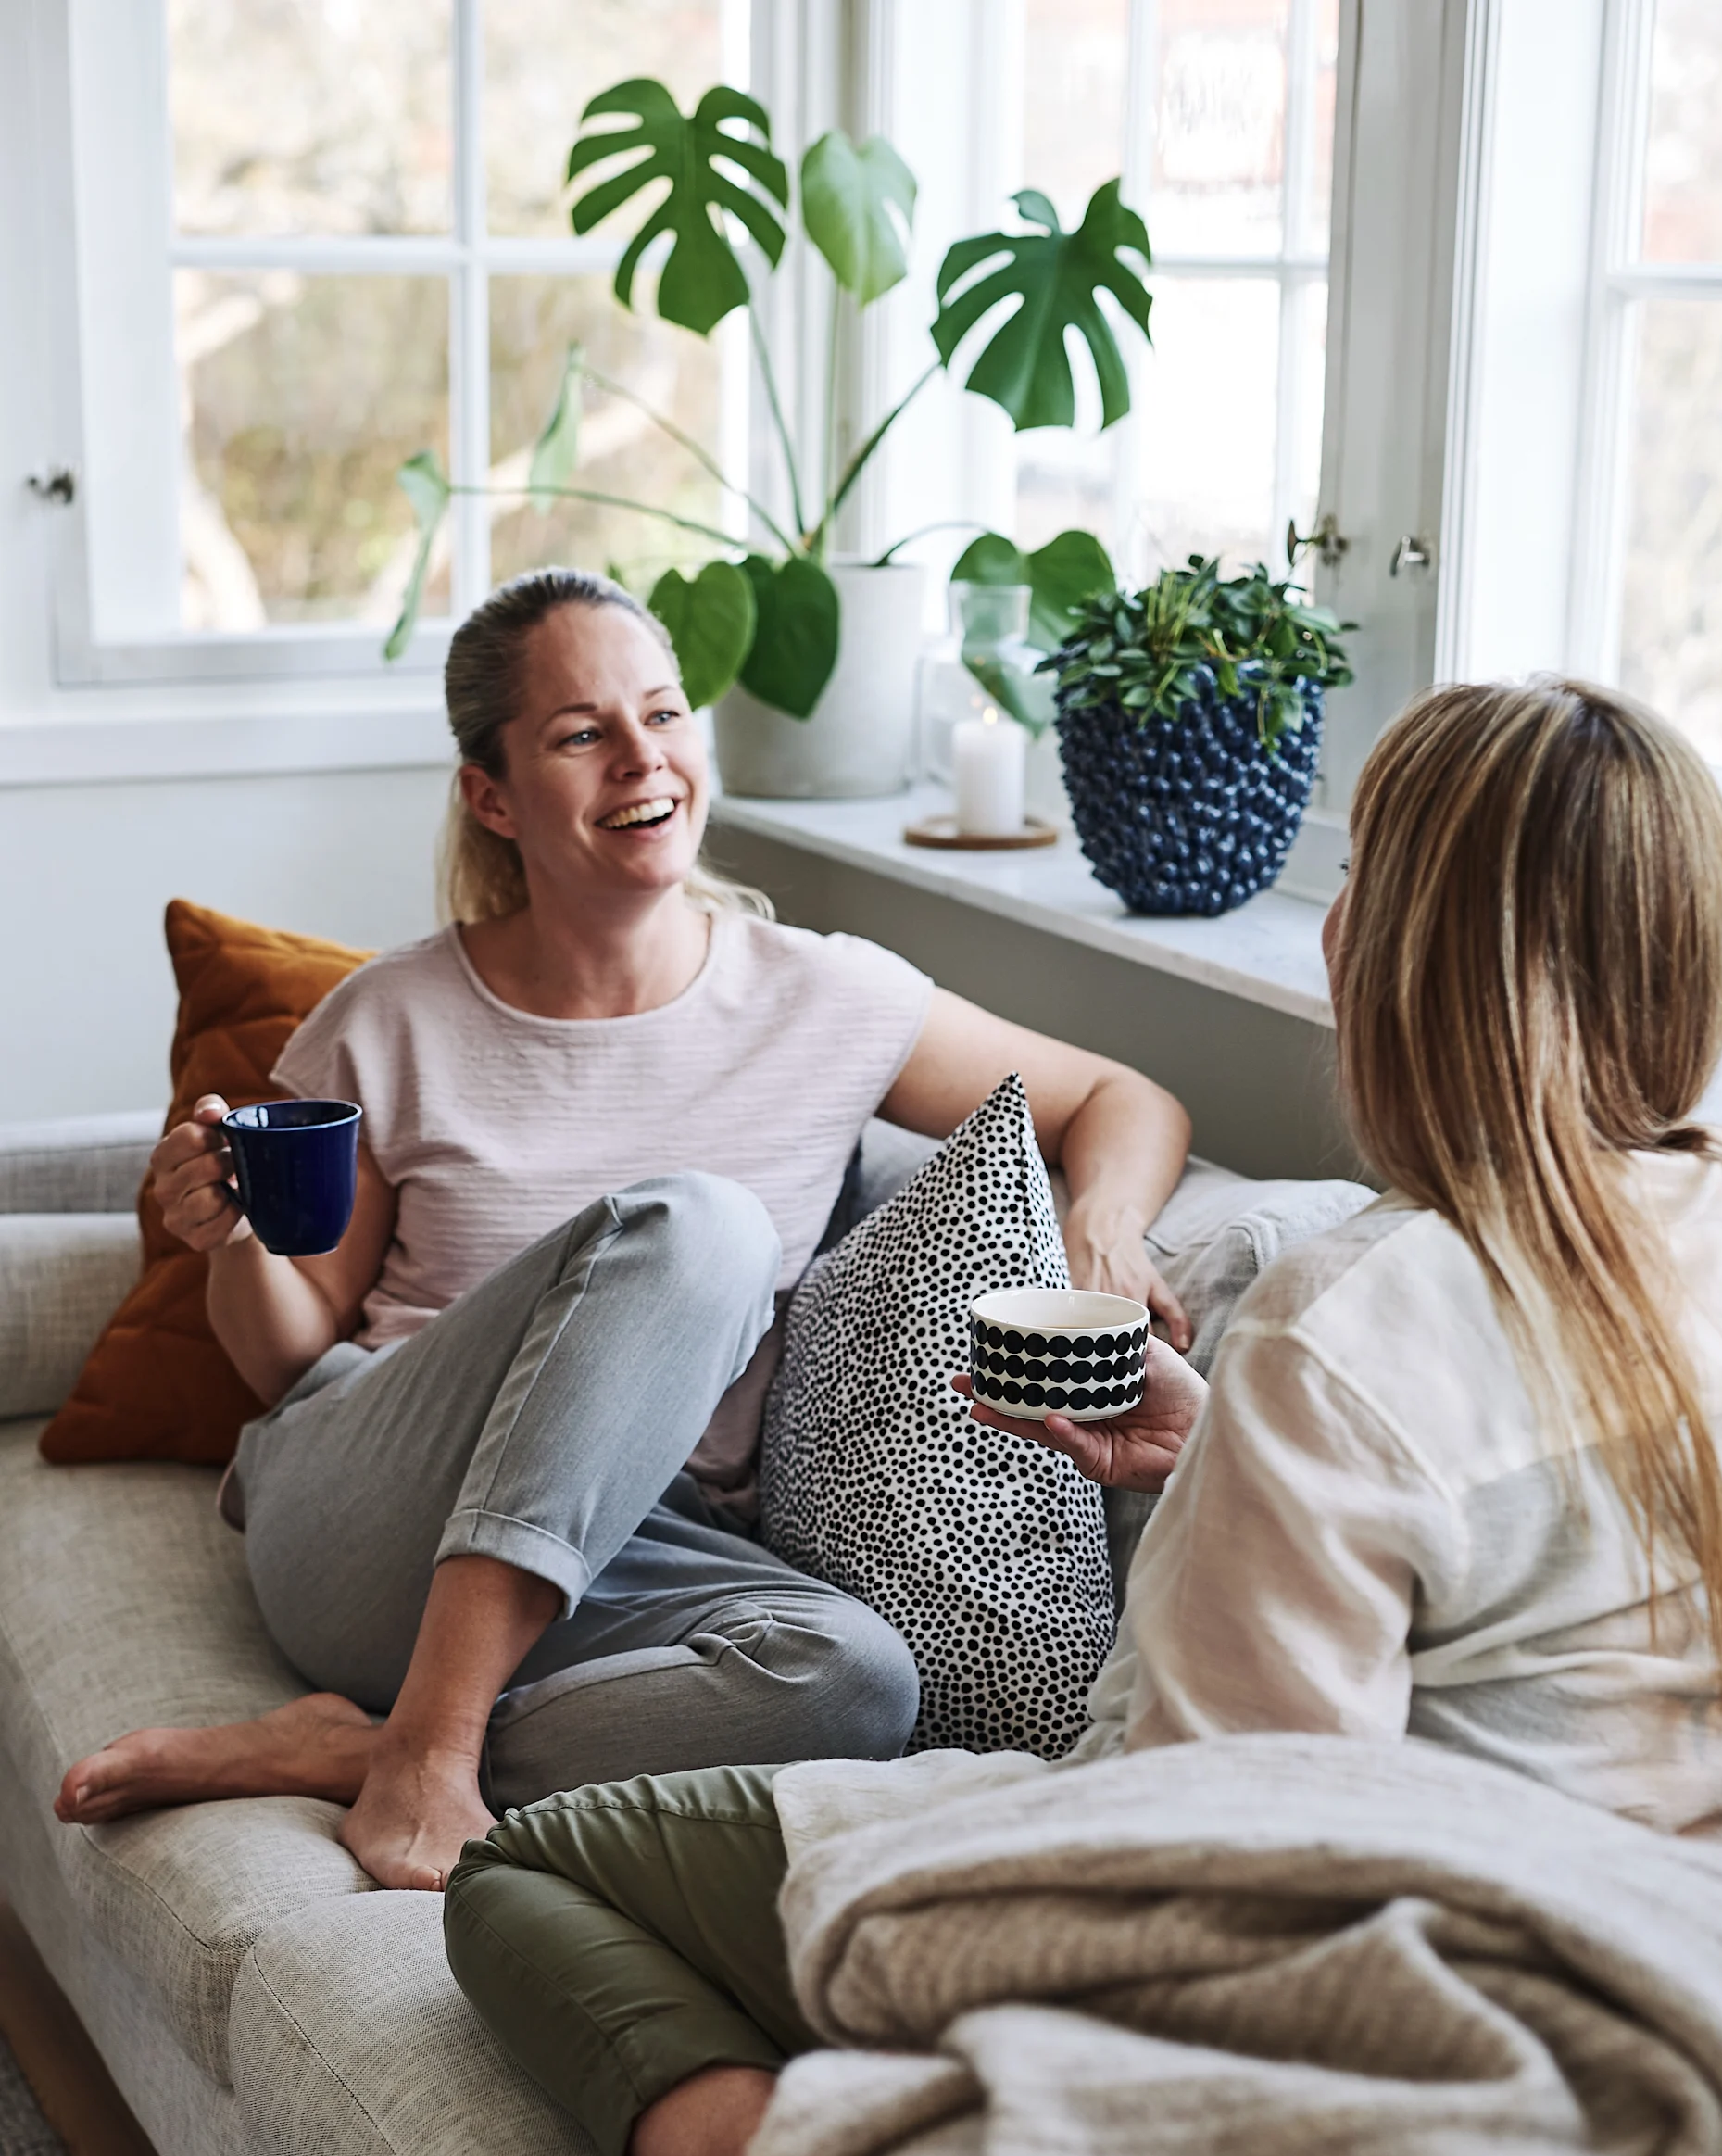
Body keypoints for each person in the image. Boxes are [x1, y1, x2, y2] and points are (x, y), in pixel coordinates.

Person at [442, 674, 1722, 2156]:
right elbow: (1538, 1599)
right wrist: (1226, 1455)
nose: (1336, 915)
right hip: (1645, 1937)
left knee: (523, 1878)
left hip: (1364, 1985)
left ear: (1406, 946)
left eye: (1359, 870)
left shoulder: (1348, 1319)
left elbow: (1228, 1894)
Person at [54, 568, 1190, 1890]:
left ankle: (365, 1747)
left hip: (641, 1546)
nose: (643, 759)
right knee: (702, 1227)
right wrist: (234, 1244)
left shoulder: (826, 996)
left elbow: (1123, 1096)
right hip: (374, 1523)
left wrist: (1101, 1227)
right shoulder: (389, 1020)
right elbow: (289, 1367)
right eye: (582, 734)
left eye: (664, 714)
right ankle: (426, 1748)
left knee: (859, 1681)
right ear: (493, 795)